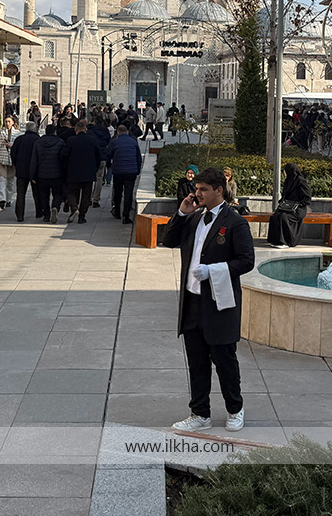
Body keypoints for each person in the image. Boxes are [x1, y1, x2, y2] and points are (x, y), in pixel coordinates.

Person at [163, 168, 254, 433]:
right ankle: (199, 412)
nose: (197, 193)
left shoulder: (235, 222)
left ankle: (235, 409)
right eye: (197, 188)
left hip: (218, 303)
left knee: (225, 361)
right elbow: (169, 240)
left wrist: (214, 271)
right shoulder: (194, 218)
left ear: (219, 191)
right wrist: (181, 213)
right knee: (197, 361)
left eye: (203, 189)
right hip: (192, 301)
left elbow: (246, 261)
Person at [29, 124, 69, 223]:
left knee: (43, 195)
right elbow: (64, 159)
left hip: (42, 174)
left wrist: (32, 175)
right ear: (55, 132)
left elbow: (34, 160)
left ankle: (46, 215)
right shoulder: (60, 142)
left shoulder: (38, 142)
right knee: (58, 193)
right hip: (57, 173)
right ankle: (55, 207)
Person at [64, 122, 102, 224]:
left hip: (74, 171)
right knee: (86, 195)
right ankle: (82, 216)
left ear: (76, 130)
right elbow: (99, 156)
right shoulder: (92, 140)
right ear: (85, 129)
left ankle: (74, 208)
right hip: (88, 172)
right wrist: (95, 168)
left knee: (71, 192)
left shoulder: (71, 140)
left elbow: (64, 155)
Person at [267, 163, 312, 248]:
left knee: (283, 217)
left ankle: (286, 241)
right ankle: (276, 240)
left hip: (298, 209)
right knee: (275, 217)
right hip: (287, 207)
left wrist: (297, 204)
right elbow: (285, 195)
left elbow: (307, 198)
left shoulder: (301, 181)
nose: (285, 173)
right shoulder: (288, 180)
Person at [106, 124, 143, 224]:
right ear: (127, 132)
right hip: (131, 171)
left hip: (118, 171)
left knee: (118, 192)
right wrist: (137, 170)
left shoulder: (114, 142)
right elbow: (138, 158)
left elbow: (108, 155)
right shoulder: (133, 142)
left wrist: (109, 166)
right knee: (128, 193)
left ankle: (117, 212)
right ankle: (126, 216)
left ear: (117, 132)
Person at [10, 121, 40, 222]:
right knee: (37, 192)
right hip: (34, 171)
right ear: (35, 129)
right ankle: (39, 211)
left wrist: (16, 164)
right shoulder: (37, 140)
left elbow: (13, 153)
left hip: (21, 170)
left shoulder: (19, 139)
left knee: (20, 193)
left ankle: (20, 214)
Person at [0, 116, 17, 211]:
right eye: (6, 121)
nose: (7, 123)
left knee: (10, 182)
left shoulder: (17, 134)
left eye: (9, 121)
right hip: (1, 158)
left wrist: (12, 146)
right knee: (1, 180)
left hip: (12, 160)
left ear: (13, 122)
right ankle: (1, 199)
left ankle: (9, 199)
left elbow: (19, 146)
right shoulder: (0, 132)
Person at [88, 116, 111, 209]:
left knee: (90, 178)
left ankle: (88, 198)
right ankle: (96, 199)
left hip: (91, 157)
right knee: (99, 178)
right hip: (102, 156)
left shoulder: (90, 131)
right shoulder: (106, 131)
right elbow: (108, 142)